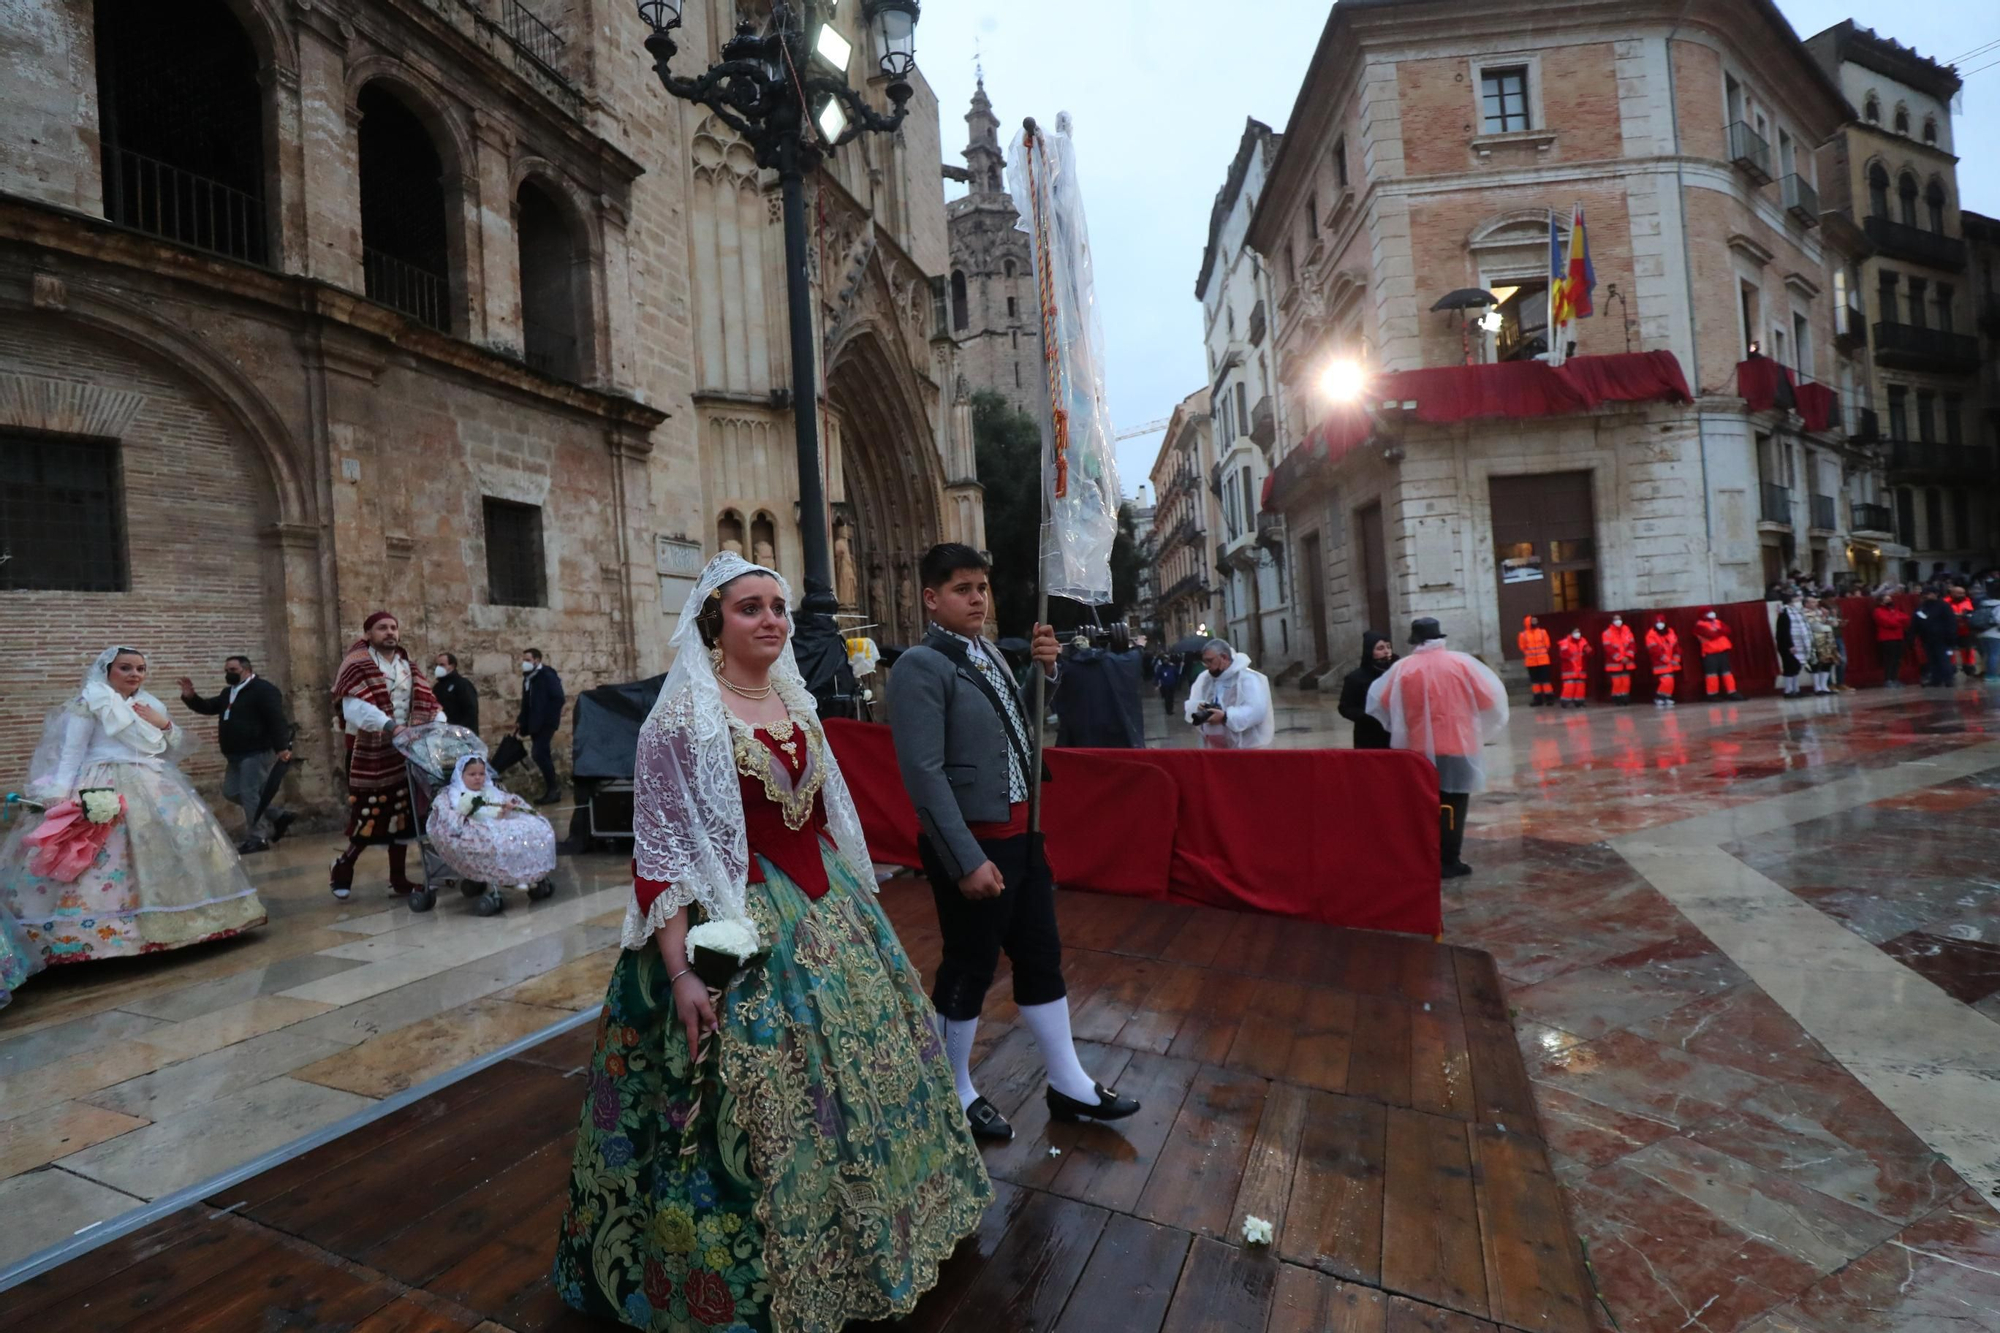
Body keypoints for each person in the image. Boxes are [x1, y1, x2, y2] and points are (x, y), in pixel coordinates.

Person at [555, 553, 991, 1333]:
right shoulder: (681, 717)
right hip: (731, 919)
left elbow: (824, 819)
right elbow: (660, 856)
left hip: (826, 906)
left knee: (864, 1073)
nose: (771, 621)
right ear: (713, 623)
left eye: (778, 608)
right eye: (750, 607)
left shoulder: (795, 703)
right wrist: (684, 970)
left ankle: (878, 1230)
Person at [890, 543, 1140, 1144]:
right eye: (962, 589)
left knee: (1040, 956)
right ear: (931, 598)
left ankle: (1068, 1081)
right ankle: (953, 1090)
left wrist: (1044, 675)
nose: (978, 598)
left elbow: (1016, 726)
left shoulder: (991, 655)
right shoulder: (919, 667)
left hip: (1025, 834)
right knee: (970, 966)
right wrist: (965, 860)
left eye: (982, 587)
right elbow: (924, 774)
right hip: (975, 842)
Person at [2, 647, 267, 965]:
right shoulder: (91, 702)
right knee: (97, 854)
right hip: (102, 782)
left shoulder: (149, 703)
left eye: (140, 668)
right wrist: (58, 796)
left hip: (153, 782)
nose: (134, 674)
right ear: (107, 670)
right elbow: (72, 751)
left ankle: (183, 920)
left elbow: (174, 746)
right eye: (125, 668)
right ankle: (93, 933)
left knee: (169, 849)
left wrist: (164, 724)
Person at [1366, 618, 1508, 880]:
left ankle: (1426, 856)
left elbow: (1381, 701)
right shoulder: (1461, 664)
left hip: (1418, 750)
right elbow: (1489, 700)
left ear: (1415, 640)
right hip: (1458, 746)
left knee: (1425, 804)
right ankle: (1450, 859)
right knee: (1455, 803)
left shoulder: (1403, 668)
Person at [330, 611, 440, 901]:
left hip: (407, 749)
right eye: (382, 628)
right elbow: (354, 708)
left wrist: (439, 726)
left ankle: (398, 878)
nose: (389, 632)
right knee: (371, 812)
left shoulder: (408, 666)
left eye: (393, 627)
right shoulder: (355, 665)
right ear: (368, 634)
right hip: (369, 750)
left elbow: (429, 702)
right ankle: (343, 865)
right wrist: (391, 727)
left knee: (404, 815)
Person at [176, 656, 296, 854]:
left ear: (247, 669)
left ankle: (258, 838)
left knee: (249, 794)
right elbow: (208, 707)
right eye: (226, 670)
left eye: (232, 669)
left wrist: (282, 747)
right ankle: (278, 815)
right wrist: (191, 697)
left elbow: (276, 719)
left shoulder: (264, 690)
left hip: (256, 751)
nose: (228, 674)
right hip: (235, 754)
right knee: (231, 792)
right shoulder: (228, 692)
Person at [425, 755, 556, 916]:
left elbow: (498, 811)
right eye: (472, 775)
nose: (478, 778)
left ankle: (526, 873)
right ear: (462, 776)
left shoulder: (490, 790)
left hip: (496, 823)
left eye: (481, 774)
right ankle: (511, 875)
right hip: (475, 827)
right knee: (501, 840)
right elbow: (458, 816)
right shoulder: (455, 794)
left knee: (530, 830)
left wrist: (506, 810)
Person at [1184, 638, 1275, 748]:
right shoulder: (1205, 679)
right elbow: (1191, 704)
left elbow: (1257, 711)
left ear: (1224, 657)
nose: (1207, 665)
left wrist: (1225, 717)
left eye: (1210, 661)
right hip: (1213, 748)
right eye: (1205, 662)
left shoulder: (1247, 678)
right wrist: (1199, 707)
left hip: (1246, 748)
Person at [516, 648, 566, 805]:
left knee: (538, 753)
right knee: (542, 754)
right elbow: (527, 703)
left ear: (537, 660)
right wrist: (521, 720)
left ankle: (553, 789)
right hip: (534, 724)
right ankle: (552, 789)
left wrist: (547, 718)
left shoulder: (547, 676)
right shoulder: (529, 678)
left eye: (528, 660)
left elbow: (558, 698)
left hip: (545, 723)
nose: (525, 663)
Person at [1337, 631, 1397, 748]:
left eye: (1388, 647)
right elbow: (1345, 707)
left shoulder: (1397, 673)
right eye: (1380, 648)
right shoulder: (1355, 678)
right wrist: (1368, 716)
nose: (1386, 651)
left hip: (1395, 735)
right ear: (1370, 651)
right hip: (1368, 737)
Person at [1911, 588, 1959, 688]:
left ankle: (1948, 679)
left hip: (1942, 637)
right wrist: (1913, 634)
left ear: (1936, 594)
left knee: (1943, 659)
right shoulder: (1922, 607)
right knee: (1932, 659)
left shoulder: (1944, 606)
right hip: (1927, 638)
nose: (1926, 596)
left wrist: (1951, 636)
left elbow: (1951, 621)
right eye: (1925, 594)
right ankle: (1936, 679)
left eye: (1929, 593)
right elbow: (1916, 621)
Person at [1691, 610, 1741, 700]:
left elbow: (1728, 630)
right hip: (1710, 653)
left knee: (1727, 673)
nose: (1711, 613)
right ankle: (1712, 695)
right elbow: (1711, 635)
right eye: (1708, 612)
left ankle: (1732, 692)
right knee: (1711, 674)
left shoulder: (1717, 622)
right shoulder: (1699, 625)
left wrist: (1718, 631)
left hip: (1722, 651)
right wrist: (1720, 632)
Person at [431, 653, 480, 730]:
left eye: (442, 665)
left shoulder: (462, 684)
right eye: (437, 665)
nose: (438, 668)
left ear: (452, 666)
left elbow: (471, 711)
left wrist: (460, 729)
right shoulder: (437, 687)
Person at [1804, 597, 1839, 696]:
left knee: (1828, 662)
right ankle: (1817, 687)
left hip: (1828, 640)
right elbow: (1816, 626)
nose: (1815, 604)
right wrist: (1824, 619)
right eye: (1812, 602)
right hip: (1815, 640)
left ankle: (1824, 686)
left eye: (1816, 602)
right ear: (1806, 604)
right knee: (1815, 663)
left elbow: (1834, 624)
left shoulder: (1820, 612)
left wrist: (1832, 615)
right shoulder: (1805, 613)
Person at [1775, 595, 1809, 697]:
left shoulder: (1796, 613)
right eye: (1797, 600)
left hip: (1796, 644)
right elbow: (1784, 632)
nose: (1799, 602)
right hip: (1787, 645)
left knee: (1796, 667)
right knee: (1789, 667)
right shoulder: (1785, 614)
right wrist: (1790, 645)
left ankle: (1796, 689)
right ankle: (1788, 690)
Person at [1517, 615, 1554, 706]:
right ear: (1528, 622)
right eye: (1533, 621)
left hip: (1543, 661)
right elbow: (1522, 647)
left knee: (1546, 681)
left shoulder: (1542, 632)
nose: (1535, 622)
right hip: (1531, 662)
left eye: (1535, 621)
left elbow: (1547, 644)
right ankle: (1538, 700)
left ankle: (1549, 699)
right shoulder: (1523, 635)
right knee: (1535, 682)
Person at [1872, 595, 1909, 687]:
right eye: (1887, 599)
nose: (1890, 601)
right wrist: (1898, 621)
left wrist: (1895, 619)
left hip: (1898, 637)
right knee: (1889, 660)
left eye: (1890, 599)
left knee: (1897, 659)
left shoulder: (1894, 610)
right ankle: (1888, 679)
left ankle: (1895, 678)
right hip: (1887, 638)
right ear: (1881, 602)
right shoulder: (1878, 611)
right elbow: (1888, 622)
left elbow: (1906, 618)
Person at [1645, 616, 1680, 707]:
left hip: (1671, 662)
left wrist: (1676, 659)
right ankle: (1659, 697)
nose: (1660, 624)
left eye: (1662, 622)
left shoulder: (1670, 632)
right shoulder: (1651, 634)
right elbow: (1654, 650)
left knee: (1671, 681)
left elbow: (1676, 647)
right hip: (1660, 662)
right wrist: (1667, 659)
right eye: (1657, 622)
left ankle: (1666, 697)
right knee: (1666, 680)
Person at [1601, 616, 1636, 705]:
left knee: (1626, 682)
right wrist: (1620, 658)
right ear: (1612, 621)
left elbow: (1632, 644)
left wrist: (1628, 656)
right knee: (1617, 683)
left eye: (1619, 619)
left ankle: (1625, 699)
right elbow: (1608, 648)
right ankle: (1617, 699)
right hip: (1614, 663)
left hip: (1627, 662)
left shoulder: (1627, 631)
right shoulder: (1607, 633)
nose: (1618, 621)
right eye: (1616, 619)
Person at [1556, 627, 1592, 708]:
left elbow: (1589, 652)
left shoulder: (1583, 641)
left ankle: (1579, 702)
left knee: (1580, 686)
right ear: (1571, 633)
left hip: (1581, 668)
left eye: (1579, 631)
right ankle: (1565, 702)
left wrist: (1588, 650)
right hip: (1570, 668)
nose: (1578, 633)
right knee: (1569, 685)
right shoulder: (1565, 642)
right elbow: (1563, 654)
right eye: (1576, 632)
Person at [1948, 586, 1979, 677]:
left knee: (1968, 650)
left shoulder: (1969, 601)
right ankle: (1951, 667)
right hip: (1951, 630)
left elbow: (1974, 614)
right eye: (1959, 593)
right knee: (1951, 650)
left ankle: (1969, 667)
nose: (1962, 595)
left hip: (1966, 629)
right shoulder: (1945, 602)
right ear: (1952, 593)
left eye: (1963, 593)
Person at [1974, 587, 2000, 681]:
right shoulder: (1998, 606)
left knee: (1986, 654)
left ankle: (1986, 673)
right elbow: (1998, 620)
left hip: (1981, 633)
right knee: (1994, 655)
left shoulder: (1983, 605)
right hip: (1995, 633)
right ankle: (1992, 675)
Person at [1153, 653, 1182, 719]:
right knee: (1167, 698)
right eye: (1164, 660)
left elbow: (1176, 674)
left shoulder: (1172, 667)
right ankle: (1168, 710)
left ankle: (1170, 709)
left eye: (1166, 659)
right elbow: (1157, 676)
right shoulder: (1160, 668)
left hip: (1172, 684)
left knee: (1171, 698)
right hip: (1165, 685)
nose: (1166, 661)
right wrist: (1156, 683)